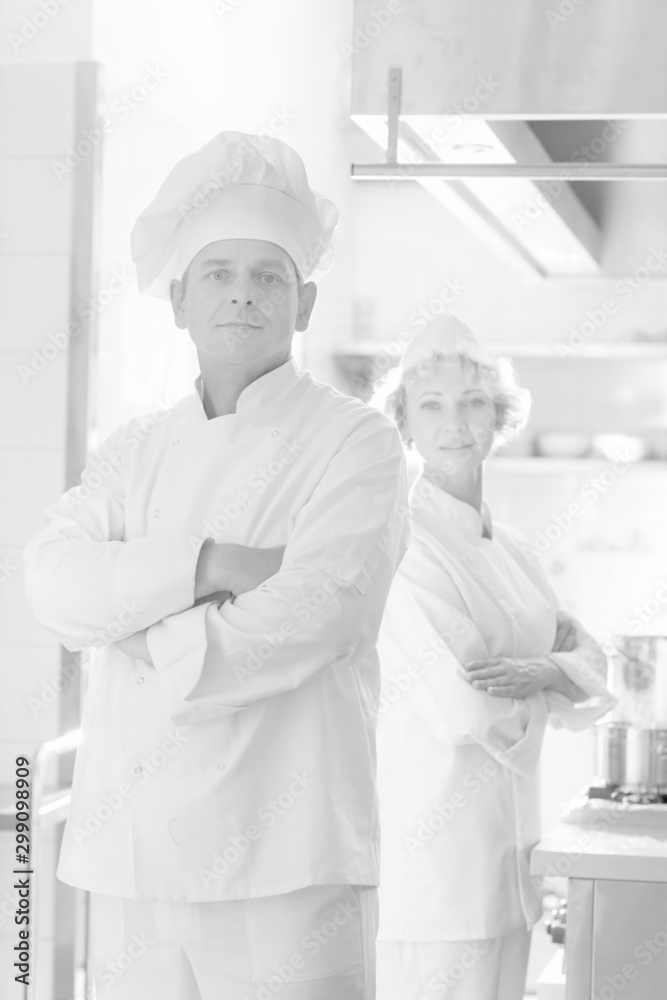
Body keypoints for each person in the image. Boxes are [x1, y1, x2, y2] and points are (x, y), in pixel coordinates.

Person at [24, 131, 410, 1000]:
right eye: (218, 275)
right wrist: (213, 564)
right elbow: (51, 580)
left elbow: (320, 614)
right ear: (179, 303)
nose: (242, 297)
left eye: (267, 277)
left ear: (303, 304)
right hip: (136, 853)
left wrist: (137, 629)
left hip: (290, 857)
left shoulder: (357, 441)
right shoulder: (135, 447)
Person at [372, 315, 616, 1000]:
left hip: (512, 871)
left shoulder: (511, 550)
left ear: (499, 417)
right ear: (404, 424)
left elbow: (591, 666)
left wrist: (547, 671)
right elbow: (465, 708)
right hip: (437, 882)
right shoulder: (405, 547)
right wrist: (557, 681)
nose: (454, 423)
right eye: (431, 405)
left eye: (472, 402)